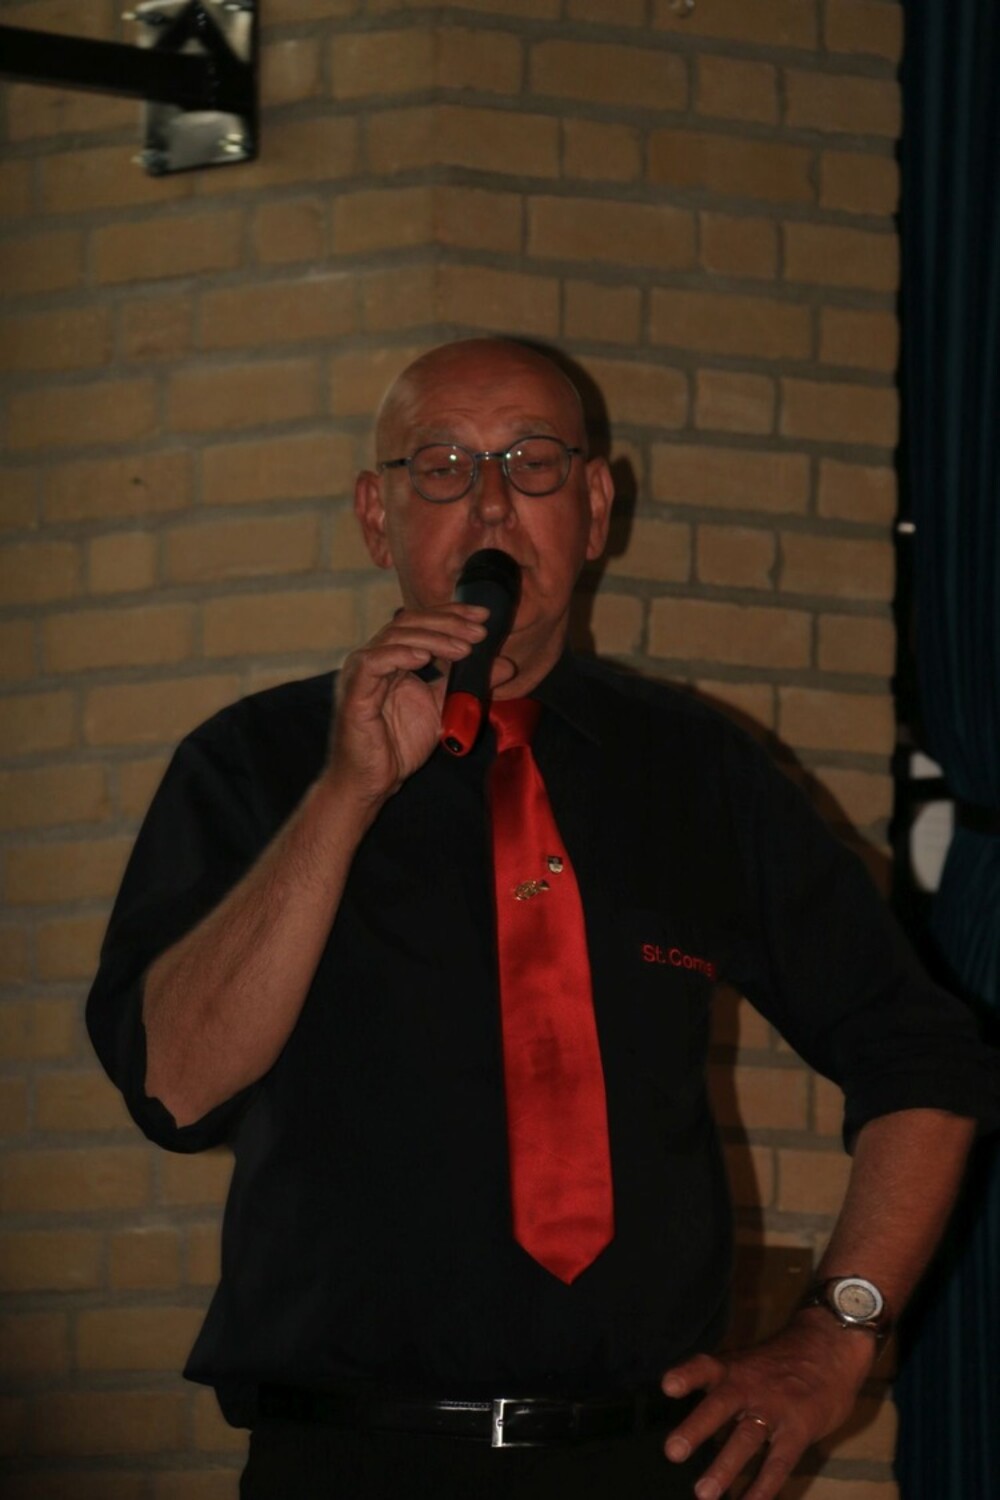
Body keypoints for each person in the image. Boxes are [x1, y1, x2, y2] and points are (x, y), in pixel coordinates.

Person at [87, 338, 997, 1500]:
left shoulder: (698, 771)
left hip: (648, 1462)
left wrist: (837, 1331)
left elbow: (920, 1054)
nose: (488, 502)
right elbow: (173, 1090)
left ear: (596, 509)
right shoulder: (252, 764)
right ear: (375, 517)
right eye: (441, 467)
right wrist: (345, 794)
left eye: (531, 463)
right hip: (353, 1459)